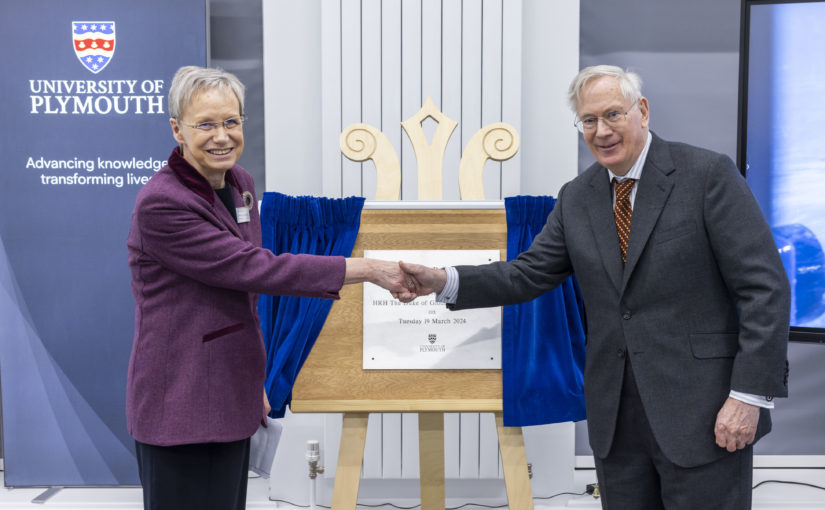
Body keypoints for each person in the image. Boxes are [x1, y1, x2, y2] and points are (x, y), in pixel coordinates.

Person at [401, 65, 790, 509]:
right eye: (588, 120)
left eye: (612, 115)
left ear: (642, 111)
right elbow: (528, 272)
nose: (601, 131)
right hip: (616, 424)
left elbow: (765, 289)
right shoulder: (577, 197)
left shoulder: (706, 175)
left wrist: (748, 396)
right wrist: (444, 281)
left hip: (705, 413)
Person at [126, 65, 413, 510]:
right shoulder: (162, 204)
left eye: (231, 122)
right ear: (176, 130)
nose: (221, 136)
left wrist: (250, 375)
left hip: (231, 388)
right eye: (205, 124)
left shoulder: (240, 184)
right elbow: (254, 268)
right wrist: (367, 269)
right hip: (179, 400)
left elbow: (244, 296)